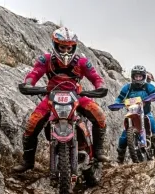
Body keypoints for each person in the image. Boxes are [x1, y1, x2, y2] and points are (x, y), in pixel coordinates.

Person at [13, 27, 109, 174]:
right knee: (32, 123)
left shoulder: (82, 61)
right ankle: (28, 161)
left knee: (99, 115)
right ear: (55, 45)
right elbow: (34, 73)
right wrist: (28, 84)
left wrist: (100, 86)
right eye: (62, 47)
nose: (65, 51)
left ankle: (98, 151)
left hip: (76, 95)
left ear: (74, 47)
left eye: (69, 48)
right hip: (51, 96)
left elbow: (96, 77)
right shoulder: (46, 59)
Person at [113, 65, 155, 162]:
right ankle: (120, 157)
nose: (138, 78)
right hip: (132, 114)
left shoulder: (148, 86)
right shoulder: (128, 87)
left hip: (145, 112)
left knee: (152, 123)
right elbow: (120, 97)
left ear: (143, 77)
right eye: (136, 76)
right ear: (133, 77)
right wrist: (116, 103)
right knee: (124, 137)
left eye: (140, 76)